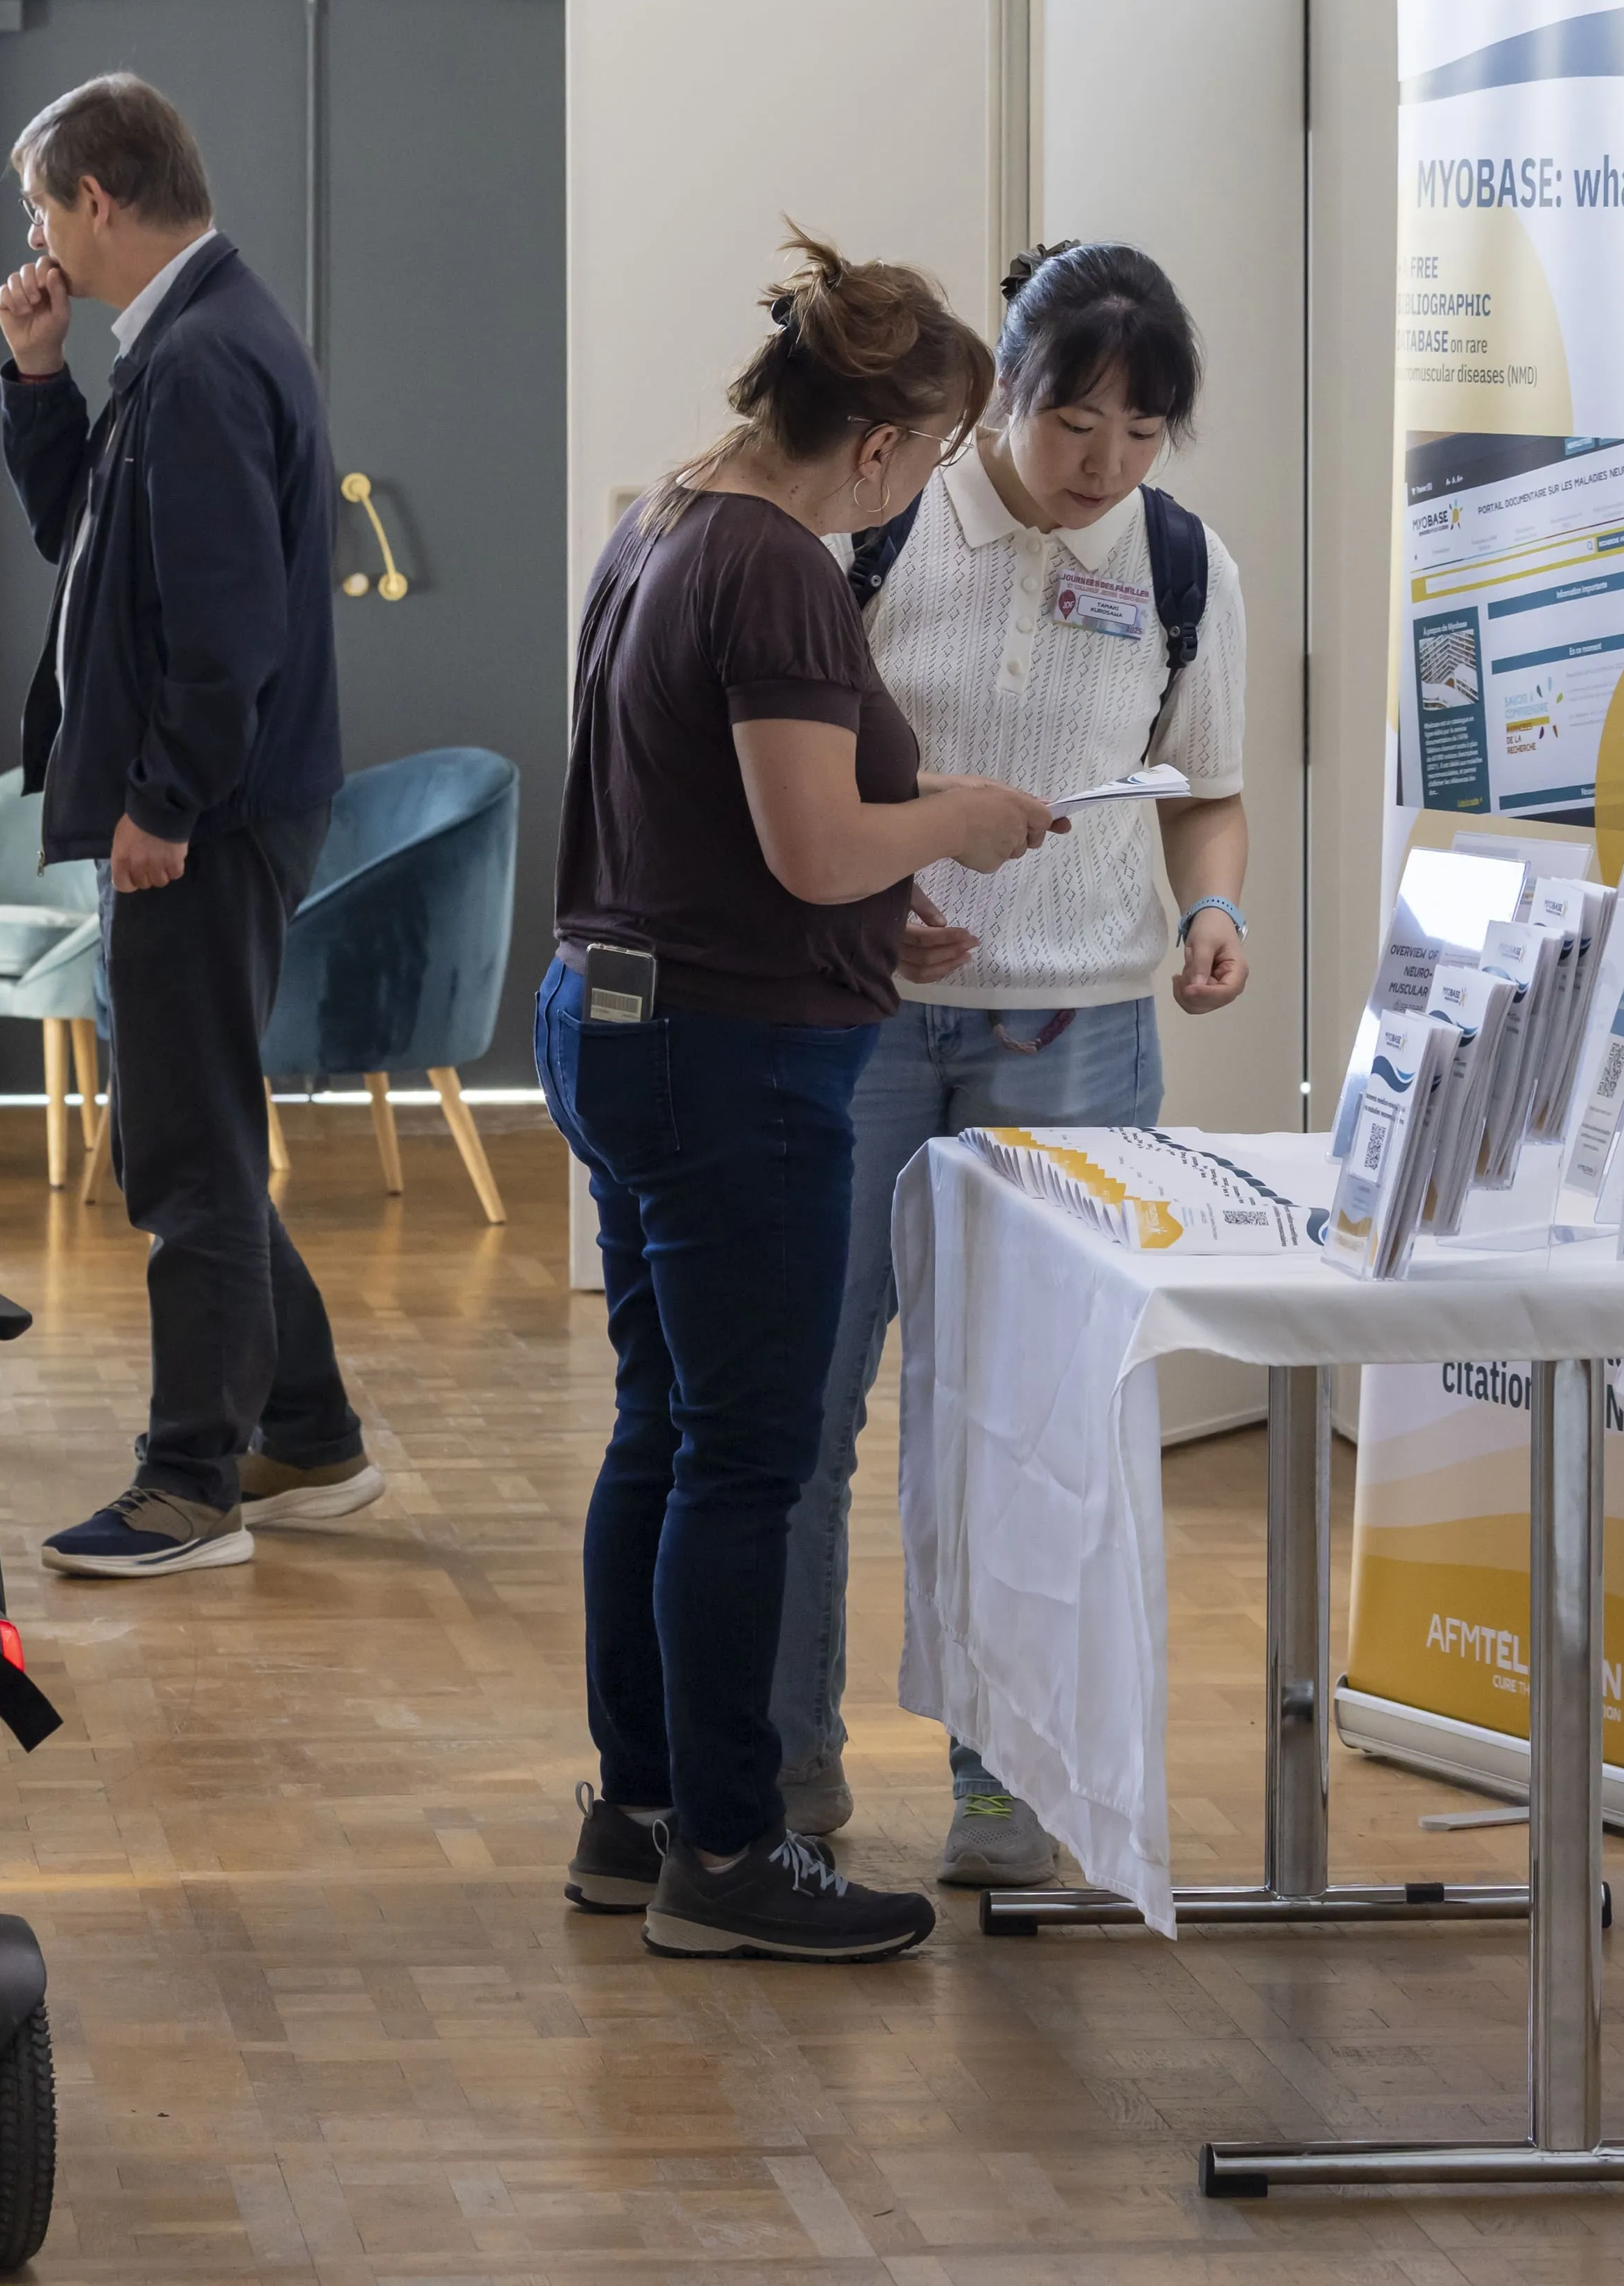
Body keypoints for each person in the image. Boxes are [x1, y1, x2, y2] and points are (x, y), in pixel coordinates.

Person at [540, 232, 1048, 1966]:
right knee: (747, 1454)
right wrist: (948, 823)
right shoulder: (771, 563)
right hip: (728, 1056)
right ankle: (734, 1848)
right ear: (888, 445)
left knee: (660, 1427)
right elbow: (809, 834)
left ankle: (641, 1806)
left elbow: (700, 805)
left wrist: (857, 903)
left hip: (621, 1015)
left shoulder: (664, 514)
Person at [776, 238, 1245, 1879]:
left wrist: (1213, 913)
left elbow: (1205, 784)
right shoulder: (887, 522)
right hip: (862, 1025)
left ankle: (1007, 1776)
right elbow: (800, 758)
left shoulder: (1182, 564)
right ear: (1002, 405)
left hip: (1079, 1037)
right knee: (808, 1399)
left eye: (1139, 433)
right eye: (1072, 427)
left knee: (1030, 1415)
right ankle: (786, 1775)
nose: (1101, 467)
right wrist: (877, 889)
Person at [0, 74, 367, 1581]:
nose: (35, 239)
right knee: (193, 1127)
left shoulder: (206, 358)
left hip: (204, 815)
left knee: (184, 1147)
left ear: (93, 199)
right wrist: (35, 378)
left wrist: (162, 802)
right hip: (203, 805)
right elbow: (86, 537)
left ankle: (189, 1482)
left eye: (40, 209)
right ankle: (310, 1429)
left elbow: (229, 633)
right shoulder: (180, 341)